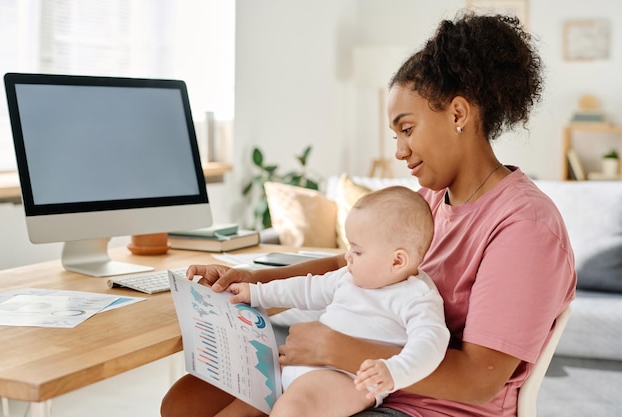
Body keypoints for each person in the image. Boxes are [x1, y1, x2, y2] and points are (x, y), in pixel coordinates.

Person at [161, 11, 576, 417]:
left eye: (407, 129)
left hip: (423, 407)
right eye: (395, 135)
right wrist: (254, 280)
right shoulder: (430, 202)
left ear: (458, 114)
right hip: (352, 381)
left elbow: (478, 379)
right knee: (187, 401)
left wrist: (334, 347)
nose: (399, 151)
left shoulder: (524, 227)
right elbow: (353, 264)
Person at [222, 186, 449, 417]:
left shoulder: (417, 297)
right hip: (302, 363)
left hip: (345, 380)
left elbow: (430, 343)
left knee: (293, 408)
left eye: (357, 251)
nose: (348, 256)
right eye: (349, 247)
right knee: (242, 404)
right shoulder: (348, 276)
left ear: (397, 261)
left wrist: (395, 371)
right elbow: (305, 288)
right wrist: (256, 292)